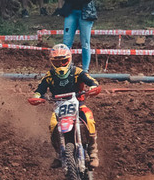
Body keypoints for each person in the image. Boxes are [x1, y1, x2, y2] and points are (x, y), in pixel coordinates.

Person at [28, 43, 101, 171]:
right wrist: (37, 97)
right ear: (52, 62)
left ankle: (93, 152)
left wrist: (93, 86)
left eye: (63, 61)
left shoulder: (77, 72)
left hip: (78, 104)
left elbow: (91, 80)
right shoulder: (49, 76)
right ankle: (59, 154)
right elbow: (39, 90)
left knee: (88, 118)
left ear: (69, 59)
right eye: (57, 62)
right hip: (59, 106)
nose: (60, 65)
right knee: (53, 125)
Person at [61, 0, 102, 72]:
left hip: (86, 14)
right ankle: (66, 67)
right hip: (71, 12)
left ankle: (85, 69)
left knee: (85, 43)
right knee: (66, 42)